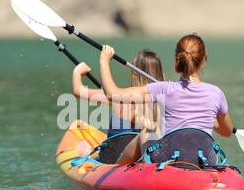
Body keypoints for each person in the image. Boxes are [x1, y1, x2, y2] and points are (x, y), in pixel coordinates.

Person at [99, 34, 234, 164]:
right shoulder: (216, 93)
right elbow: (227, 132)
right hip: (205, 159)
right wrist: (212, 121)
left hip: (170, 157)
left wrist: (104, 61)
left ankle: (117, 168)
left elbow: (112, 95)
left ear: (177, 58)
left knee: (146, 133)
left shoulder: (164, 89)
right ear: (204, 59)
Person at [72, 50, 165, 138]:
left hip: (116, 153)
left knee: (76, 126)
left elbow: (78, 91)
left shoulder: (121, 98)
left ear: (135, 72)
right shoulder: (169, 99)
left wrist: (78, 71)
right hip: (149, 151)